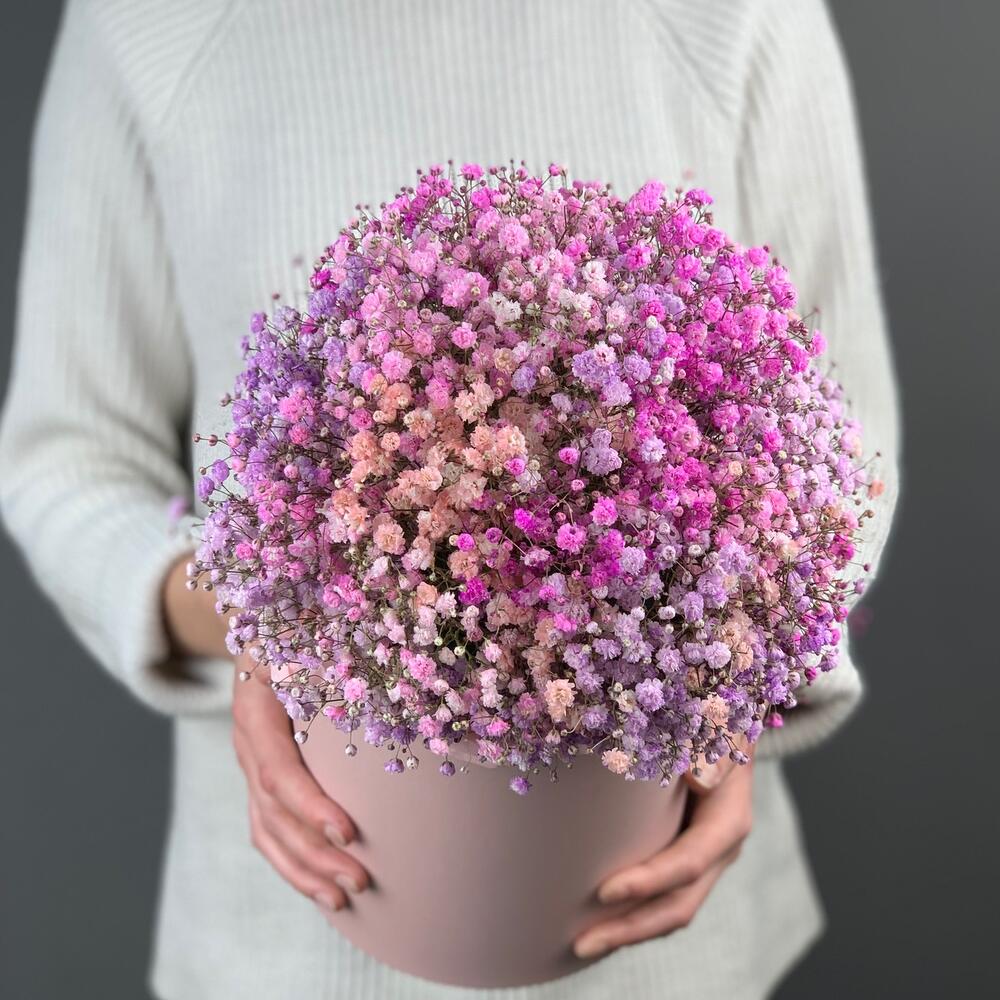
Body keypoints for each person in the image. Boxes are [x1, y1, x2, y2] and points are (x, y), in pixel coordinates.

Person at [0, 1, 899, 997]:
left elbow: (844, 447)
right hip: (287, 946)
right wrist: (268, 621)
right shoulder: (152, 24)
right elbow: (66, 460)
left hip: (668, 946)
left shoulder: (733, 17)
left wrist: (735, 687)